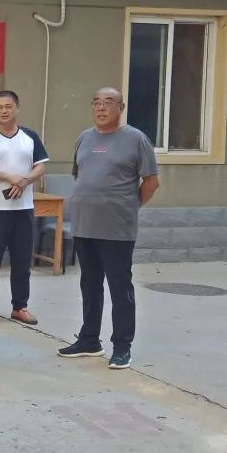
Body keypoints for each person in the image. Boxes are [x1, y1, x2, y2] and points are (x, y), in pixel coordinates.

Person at [57, 87, 159, 370]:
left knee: (119, 287)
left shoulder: (136, 140)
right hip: (84, 225)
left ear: (121, 108)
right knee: (89, 285)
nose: (102, 108)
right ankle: (89, 339)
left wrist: (128, 207)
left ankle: (122, 346)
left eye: (109, 103)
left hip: (116, 228)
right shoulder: (84, 138)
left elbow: (151, 182)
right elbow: (81, 176)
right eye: (97, 103)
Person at [0, 90, 48, 326]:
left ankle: (19, 306)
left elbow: (40, 166)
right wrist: (7, 176)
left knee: (22, 261)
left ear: (17, 108)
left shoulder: (30, 137)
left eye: (8, 106)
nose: (4, 111)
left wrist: (24, 181)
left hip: (23, 209)